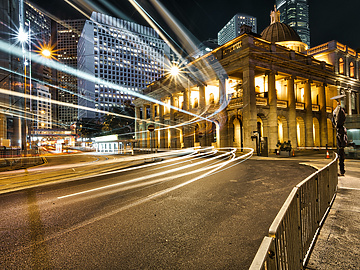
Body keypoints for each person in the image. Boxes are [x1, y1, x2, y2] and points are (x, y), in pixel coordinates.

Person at [331, 94, 348, 176]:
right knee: (340, 153)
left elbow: (338, 120)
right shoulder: (337, 111)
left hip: (340, 132)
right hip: (339, 131)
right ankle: (341, 170)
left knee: (341, 154)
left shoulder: (340, 110)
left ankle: (342, 170)